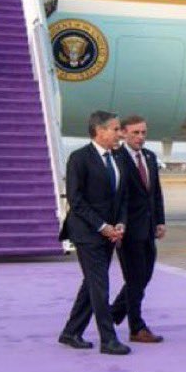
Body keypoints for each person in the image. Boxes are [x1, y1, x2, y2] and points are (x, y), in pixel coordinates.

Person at [58, 110, 130, 355]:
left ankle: (71, 332)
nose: (120, 134)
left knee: (92, 282)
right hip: (87, 232)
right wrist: (102, 226)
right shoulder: (79, 158)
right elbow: (76, 200)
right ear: (99, 131)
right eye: (116, 129)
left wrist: (120, 223)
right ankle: (108, 340)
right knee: (100, 285)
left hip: (110, 233)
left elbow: (122, 197)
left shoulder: (117, 158)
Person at [109, 115, 166, 343]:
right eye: (135, 133)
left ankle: (114, 313)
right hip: (128, 229)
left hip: (149, 228)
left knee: (144, 276)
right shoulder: (116, 158)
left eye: (143, 132)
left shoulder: (149, 157)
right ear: (123, 133)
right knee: (135, 278)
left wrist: (160, 220)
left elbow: (156, 192)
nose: (140, 137)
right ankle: (137, 327)